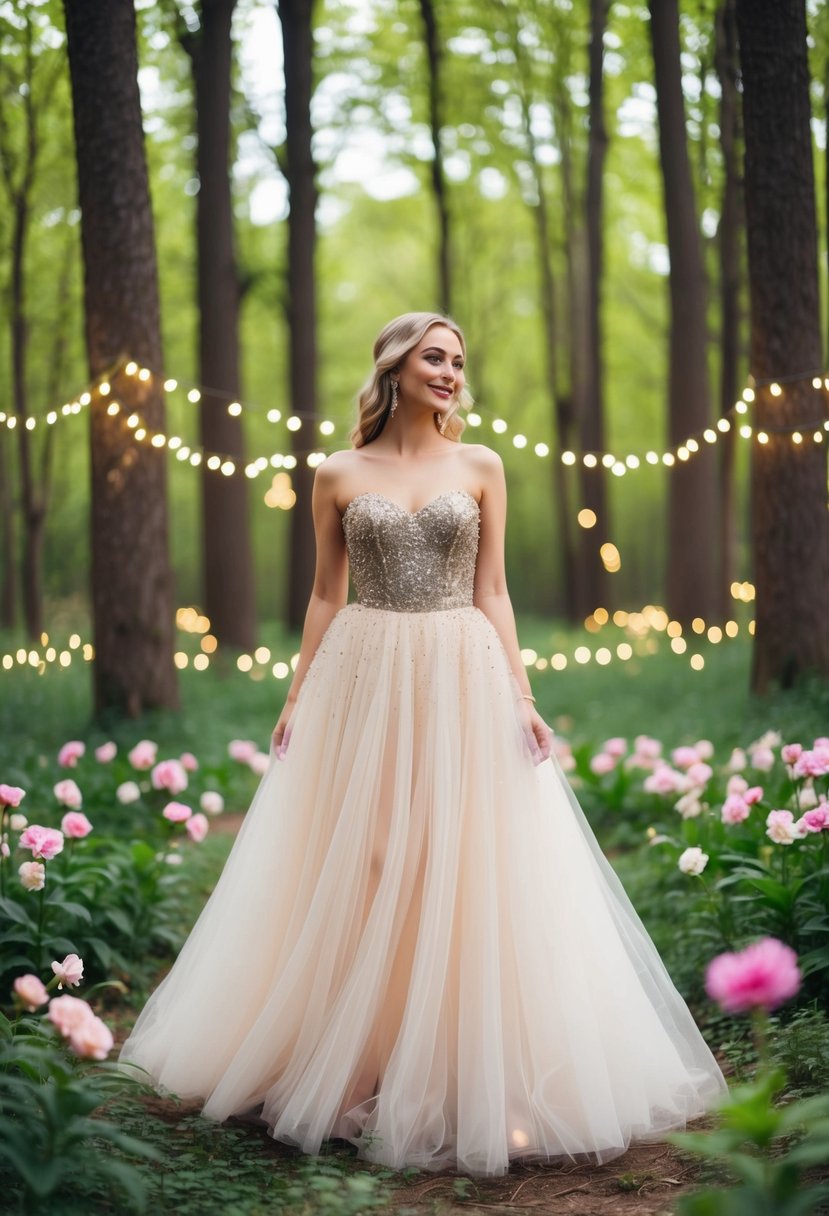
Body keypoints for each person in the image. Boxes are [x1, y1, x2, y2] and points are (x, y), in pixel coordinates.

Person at [121, 311, 727, 1177]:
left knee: (457, 859)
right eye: (434, 358)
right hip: (363, 676)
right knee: (368, 860)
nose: (449, 372)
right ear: (394, 367)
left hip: (458, 670)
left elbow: (495, 590)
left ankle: (456, 1070)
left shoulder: (480, 466)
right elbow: (326, 596)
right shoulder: (337, 473)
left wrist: (522, 695)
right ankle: (358, 1069)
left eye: (457, 360)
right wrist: (296, 692)